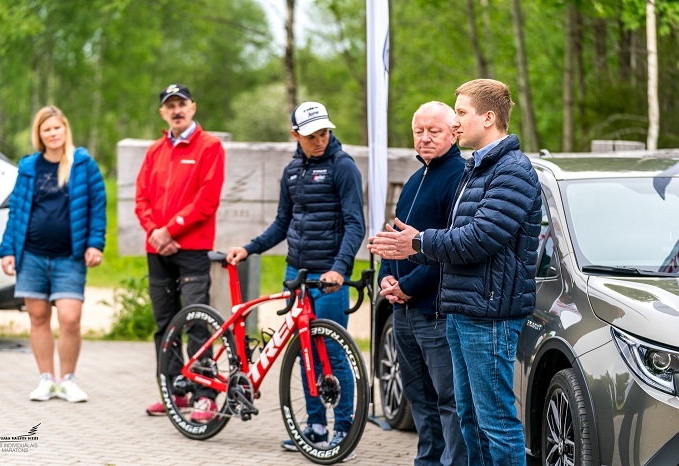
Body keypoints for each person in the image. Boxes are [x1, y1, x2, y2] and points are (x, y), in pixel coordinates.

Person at [369, 79, 542, 466]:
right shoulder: (477, 169)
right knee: (470, 420)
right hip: (462, 310)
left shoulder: (512, 171)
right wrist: (412, 248)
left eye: (461, 113)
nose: (456, 122)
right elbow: (452, 239)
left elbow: (477, 239)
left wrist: (418, 244)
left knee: (496, 422)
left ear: (489, 117)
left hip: (490, 316)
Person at [226, 101, 365, 456]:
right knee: (305, 355)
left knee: (333, 354)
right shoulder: (291, 171)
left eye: (324, 133)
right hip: (296, 274)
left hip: (329, 275)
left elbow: (355, 225)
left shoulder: (343, 167)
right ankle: (315, 426)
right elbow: (281, 224)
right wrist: (249, 248)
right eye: (311, 135)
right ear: (295, 135)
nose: (320, 140)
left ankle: (344, 430)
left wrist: (339, 267)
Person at [378, 101, 467, 466]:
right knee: (419, 401)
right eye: (419, 131)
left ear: (453, 133)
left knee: (449, 401)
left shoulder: (460, 176)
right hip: (403, 310)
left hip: (435, 310)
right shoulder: (415, 179)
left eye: (434, 131)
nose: (425, 138)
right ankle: (426, 461)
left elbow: (450, 247)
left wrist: (409, 285)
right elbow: (395, 237)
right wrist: (387, 275)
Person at [0, 105, 106, 403]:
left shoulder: (84, 165)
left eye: (57, 127)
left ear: (65, 129)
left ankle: (68, 380)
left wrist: (95, 243)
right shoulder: (30, 167)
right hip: (31, 254)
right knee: (38, 317)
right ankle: (46, 380)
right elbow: (17, 211)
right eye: (47, 129)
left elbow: (97, 207)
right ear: (40, 135)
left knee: (70, 318)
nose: (53, 133)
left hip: (69, 257)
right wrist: (8, 250)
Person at [135, 84, 225, 421]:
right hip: (157, 249)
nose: (176, 110)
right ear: (163, 112)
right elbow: (141, 199)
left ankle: (206, 394)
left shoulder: (210, 146)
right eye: (170, 105)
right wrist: (155, 234)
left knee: (196, 323)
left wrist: (169, 231)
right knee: (164, 326)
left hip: (192, 248)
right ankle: (175, 392)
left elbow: (206, 201)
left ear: (193, 106)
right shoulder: (155, 150)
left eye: (182, 104)